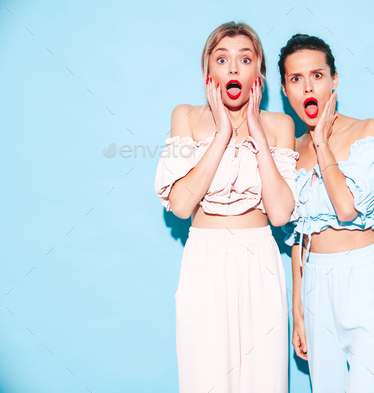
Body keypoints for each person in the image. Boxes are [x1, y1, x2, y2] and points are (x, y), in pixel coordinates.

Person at [154, 22, 298, 393]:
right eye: (222, 59)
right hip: (204, 259)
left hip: (259, 259)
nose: (233, 67)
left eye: (244, 58)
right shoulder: (185, 117)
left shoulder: (279, 125)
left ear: (258, 73)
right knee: (205, 375)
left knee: (263, 376)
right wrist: (221, 135)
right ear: (209, 72)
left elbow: (280, 214)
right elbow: (181, 206)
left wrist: (256, 133)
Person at [279, 34, 374, 392]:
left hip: (367, 278)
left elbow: (346, 208)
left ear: (334, 80)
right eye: (296, 79)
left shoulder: (368, 130)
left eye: (317, 75)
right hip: (316, 284)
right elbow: (297, 236)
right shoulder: (290, 151)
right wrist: (298, 306)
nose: (308, 88)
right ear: (286, 90)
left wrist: (320, 142)